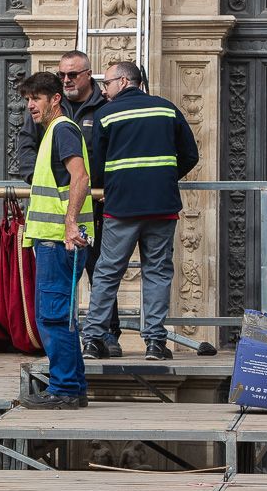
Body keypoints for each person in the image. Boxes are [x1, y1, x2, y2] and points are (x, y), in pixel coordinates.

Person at [79, 62, 199, 362]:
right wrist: (164, 178)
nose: (103, 90)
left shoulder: (106, 114)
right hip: (162, 205)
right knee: (157, 273)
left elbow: (98, 164)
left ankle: (93, 340)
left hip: (121, 206)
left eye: (106, 83)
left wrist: (108, 187)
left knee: (107, 272)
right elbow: (190, 155)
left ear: (124, 81)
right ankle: (156, 343)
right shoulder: (167, 109)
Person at [10, 50, 122, 353]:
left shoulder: (104, 108)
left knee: (101, 269)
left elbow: (104, 159)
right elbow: (26, 147)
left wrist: (105, 187)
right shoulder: (44, 113)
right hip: (59, 212)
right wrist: (39, 176)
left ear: (88, 75)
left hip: (94, 205)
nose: (67, 79)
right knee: (57, 305)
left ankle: (104, 334)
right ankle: (70, 370)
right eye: (62, 75)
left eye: (73, 74)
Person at [17, 72, 92, 410]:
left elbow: (81, 177)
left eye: (36, 98)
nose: (30, 104)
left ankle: (64, 389)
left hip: (57, 242)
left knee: (53, 316)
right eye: (28, 98)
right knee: (58, 315)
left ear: (55, 99)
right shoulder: (53, 133)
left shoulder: (62, 130)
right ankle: (71, 387)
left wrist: (70, 224)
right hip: (55, 240)